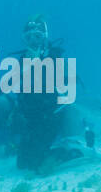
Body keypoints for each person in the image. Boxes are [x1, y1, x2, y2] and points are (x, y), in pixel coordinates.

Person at [10, 15, 95, 172]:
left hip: (52, 115)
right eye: (29, 37)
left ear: (44, 38)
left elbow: (56, 84)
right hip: (34, 118)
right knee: (22, 163)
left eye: (37, 36)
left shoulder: (54, 56)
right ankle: (60, 145)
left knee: (36, 162)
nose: (33, 41)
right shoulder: (22, 61)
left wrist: (37, 65)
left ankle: (73, 150)